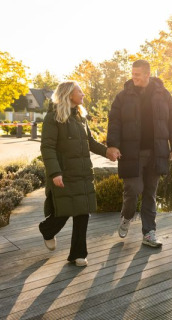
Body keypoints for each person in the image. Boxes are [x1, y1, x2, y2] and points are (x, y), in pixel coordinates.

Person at [39, 81, 116, 267]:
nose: (83, 94)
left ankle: (78, 254)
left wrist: (107, 152)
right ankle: (47, 229)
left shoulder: (81, 117)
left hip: (83, 174)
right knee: (63, 212)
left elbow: (89, 141)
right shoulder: (53, 117)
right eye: (80, 91)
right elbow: (47, 147)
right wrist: (55, 173)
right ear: (68, 94)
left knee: (83, 213)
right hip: (64, 175)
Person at [106, 59, 172, 248]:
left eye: (137, 75)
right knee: (133, 190)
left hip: (157, 152)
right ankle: (127, 216)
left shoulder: (164, 95)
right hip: (132, 153)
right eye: (132, 74)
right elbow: (114, 122)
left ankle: (149, 233)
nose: (134, 77)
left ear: (147, 74)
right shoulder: (122, 97)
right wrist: (113, 145)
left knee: (150, 193)